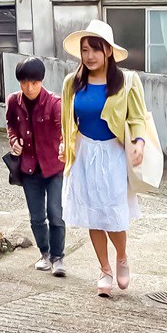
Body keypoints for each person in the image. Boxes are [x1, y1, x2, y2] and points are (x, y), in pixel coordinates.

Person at [59, 19, 148, 297]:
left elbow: (138, 118)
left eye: (96, 49)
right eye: (85, 50)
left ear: (108, 51)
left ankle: (122, 257)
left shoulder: (126, 82)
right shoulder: (72, 83)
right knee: (93, 216)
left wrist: (139, 143)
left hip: (114, 154)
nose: (90, 56)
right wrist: (64, 144)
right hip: (84, 154)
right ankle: (105, 270)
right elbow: (67, 120)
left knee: (113, 214)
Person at [6, 57, 67, 277]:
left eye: (34, 82)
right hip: (29, 168)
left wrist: (63, 144)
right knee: (37, 217)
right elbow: (11, 125)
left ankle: (58, 258)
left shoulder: (55, 103)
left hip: (53, 167)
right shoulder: (13, 101)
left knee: (55, 214)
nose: (29, 88)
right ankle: (45, 253)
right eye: (24, 83)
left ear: (41, 81)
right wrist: (14, 141)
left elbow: (63, 130)